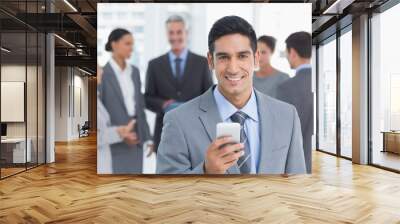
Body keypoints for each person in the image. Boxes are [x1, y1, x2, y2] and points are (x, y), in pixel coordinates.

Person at [156, 16, 306, 174]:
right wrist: (206, 171)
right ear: (210, 61)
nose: (233, 68)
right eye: (223, 57)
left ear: (256, 59)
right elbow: (167, 191)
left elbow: (297, 185)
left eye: (242, 56)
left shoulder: (287, 116)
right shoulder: (178, 121)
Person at [145, 15, 213, 152]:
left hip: (195, 131)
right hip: (164, 132)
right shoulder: (154, 64)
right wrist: (163, 104)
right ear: (166, 34)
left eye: (179, 32)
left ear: (186, 33)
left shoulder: (202, 63)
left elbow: (210, 96)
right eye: (171, 32)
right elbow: (147, 98)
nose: (175, 37)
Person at [98, 28, 153, 174]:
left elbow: (140, 106)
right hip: (115, 138)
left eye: (132, 44)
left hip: (136, 136)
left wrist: (147, 137)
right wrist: (120, 135)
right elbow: (100, 110)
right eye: (127, 43)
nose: (131, 48)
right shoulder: (103, 73)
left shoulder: (134, 71)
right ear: (114, 44)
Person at [276, 31, 313, 173]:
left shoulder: (286, 88)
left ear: (292, 52)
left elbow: (281, 132)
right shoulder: (324, 83)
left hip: (297, 164)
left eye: (286, 53)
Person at [97, 65, 136, 174]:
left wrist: (120, 131)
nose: (101, 70)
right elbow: (93, 136)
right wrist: (119, 132)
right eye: (98, 66)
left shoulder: (96, 98)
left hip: (103, 160)